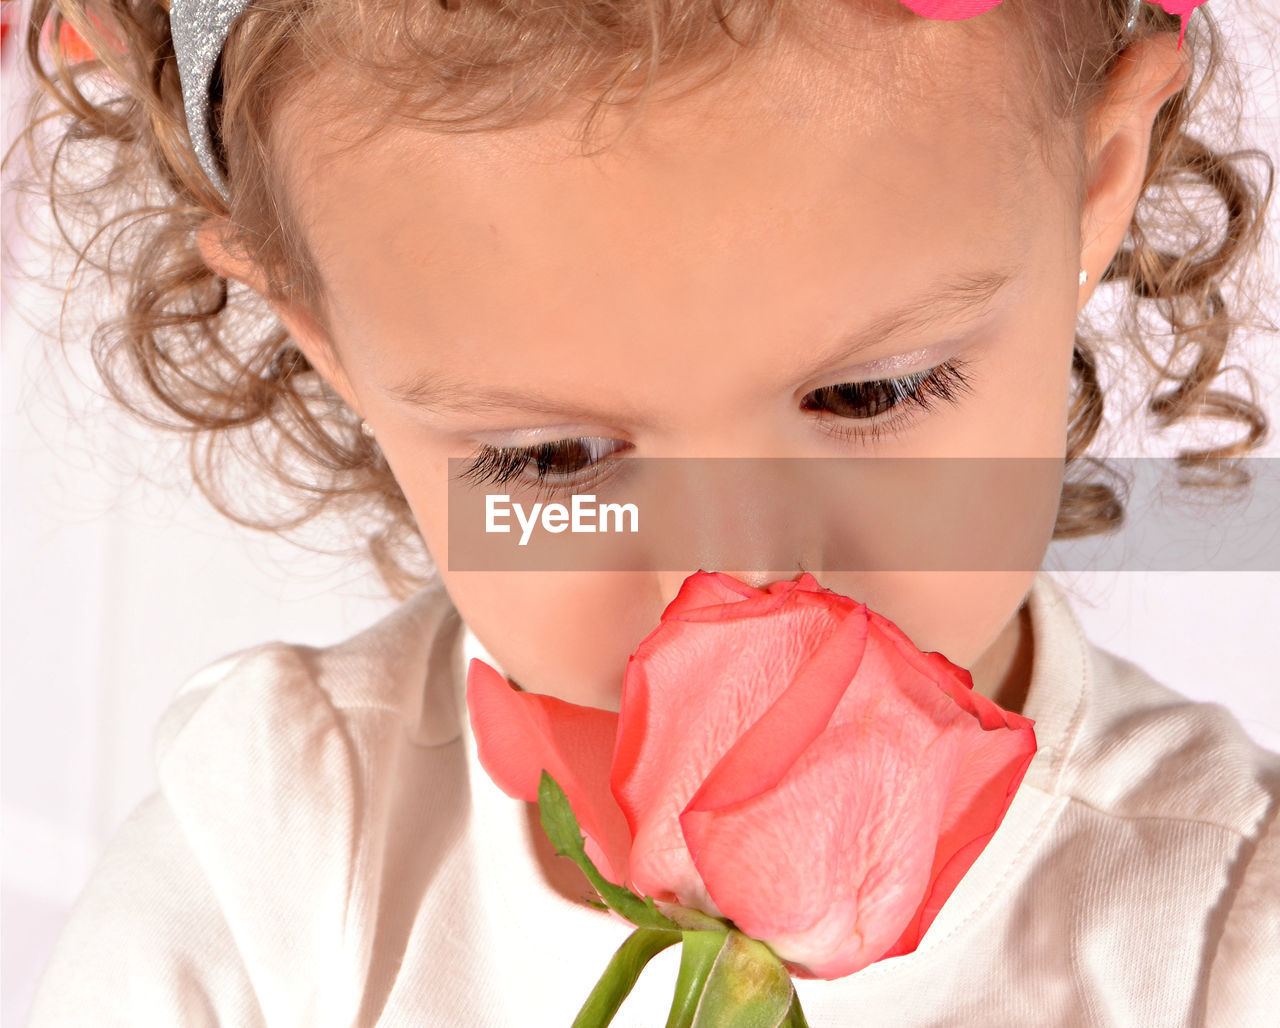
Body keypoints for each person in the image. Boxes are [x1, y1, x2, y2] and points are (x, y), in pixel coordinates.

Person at [10, 0, 1278, 1023]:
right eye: (551, 456)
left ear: (1096, 177)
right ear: (327, 339)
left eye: (867, 392)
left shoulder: (1223, 932)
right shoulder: (273, 870)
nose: (736, 585)